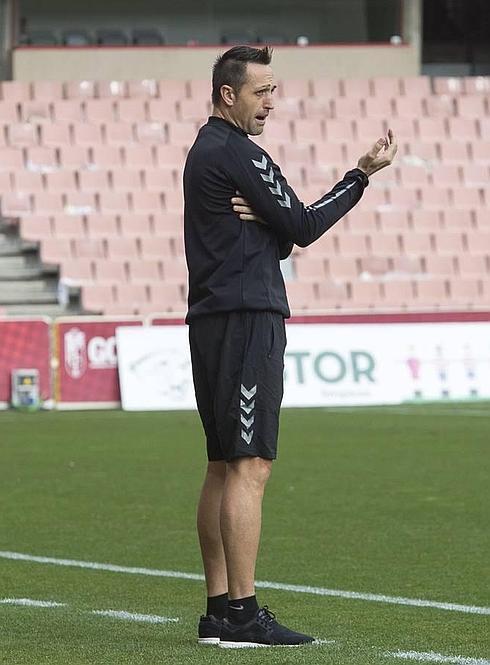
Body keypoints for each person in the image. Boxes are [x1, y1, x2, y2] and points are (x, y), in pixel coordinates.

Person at [183, 45, 397, 649]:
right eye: (261, 92)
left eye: (273, 91)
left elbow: (273, 236)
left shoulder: (204, 150)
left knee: (223, 464)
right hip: (247, 318)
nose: (271, 102)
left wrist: (270, 229)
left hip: (212, 317)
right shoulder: (239, 151)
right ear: (230, 94)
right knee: (251, 465)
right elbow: (300, 226)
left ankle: (219, 609)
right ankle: (244, 616)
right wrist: (360, 175)